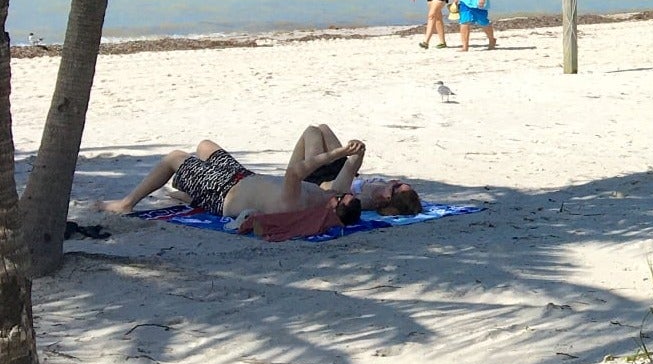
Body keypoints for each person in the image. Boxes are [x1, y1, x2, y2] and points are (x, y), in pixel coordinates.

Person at [98, 134, 367, 227]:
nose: (340, 193)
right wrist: (357, 149)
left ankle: (126, 203)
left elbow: (294, 172)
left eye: (341, 197)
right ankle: (188, 197)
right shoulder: (328, 198)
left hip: (223, 192)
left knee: (174, 158)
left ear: (334, 207)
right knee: (205, 146)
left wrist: (337, 153)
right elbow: (354, 164)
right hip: (242, 177)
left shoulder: (298, 204)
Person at [293, 123, 423, 216]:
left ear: (388, 197)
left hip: (319, 180)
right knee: (323, 128)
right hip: (342, 171)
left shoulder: (365, 201)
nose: (395, 181)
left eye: (397, 186)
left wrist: (357, 154)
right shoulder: (383, 188)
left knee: (312, 132)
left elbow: (340, 193)